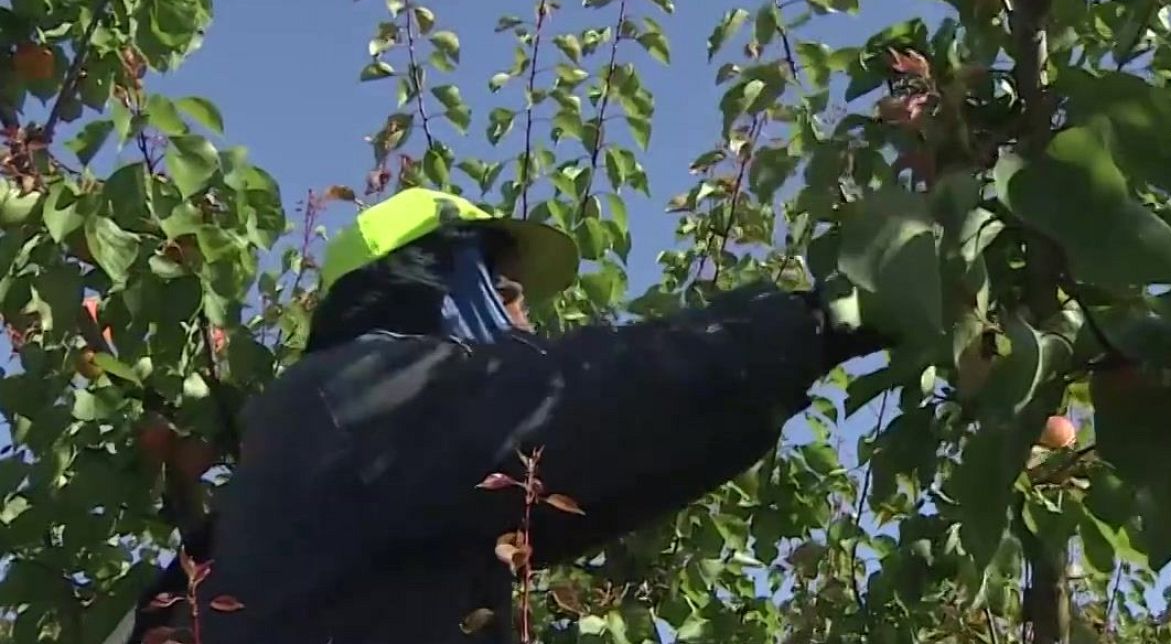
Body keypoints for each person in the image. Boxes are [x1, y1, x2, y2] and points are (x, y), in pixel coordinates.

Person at [120, 187, 890, 643]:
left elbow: (614, 475)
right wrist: (807, 324)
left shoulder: (320, 439)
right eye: (509, 294)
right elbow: (596, 402)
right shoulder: (366, 394)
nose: (525, 327)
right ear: (433, 282)